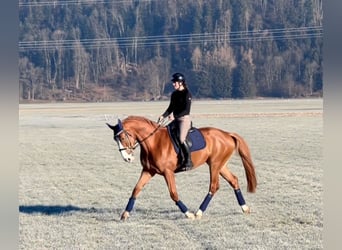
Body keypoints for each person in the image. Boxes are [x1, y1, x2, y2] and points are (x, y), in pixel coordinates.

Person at [158, 72, 193, 171]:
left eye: (175, 82)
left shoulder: (187, 94)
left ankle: (188, 161)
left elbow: (186, 110)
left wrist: (174, 116)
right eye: (174, 82)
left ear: (181, 83)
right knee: (166, 133)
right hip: (175, 119)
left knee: (181, 138)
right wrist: (163, 115)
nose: (173, 84)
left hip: (184, 119)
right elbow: (170, 108)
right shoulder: (174, 94)